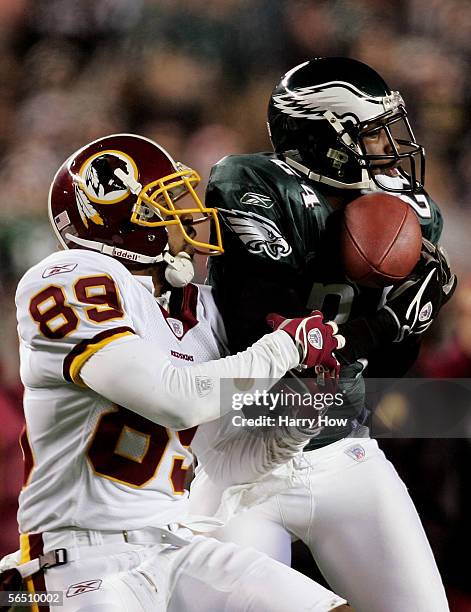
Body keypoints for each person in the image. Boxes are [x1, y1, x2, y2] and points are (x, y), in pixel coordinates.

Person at [3, 133, 352, 611]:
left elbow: (224, 467)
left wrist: (299, 422)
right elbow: (174, 399)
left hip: (173, 544)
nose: (191, 216)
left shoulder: (195, 315)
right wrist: (284, 347)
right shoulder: (68, 275)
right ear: (117, 213)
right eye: (165, 202)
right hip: (78, 563)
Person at [188, 58, 456, 611]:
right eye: (372, 131)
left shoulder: (403, 213)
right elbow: (271, 340)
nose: (390, 145)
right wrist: (377, 323)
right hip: (243, 464)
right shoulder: (253, 185)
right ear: (323, 139)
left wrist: (411, 320)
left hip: (343, 451)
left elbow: (382, 374)